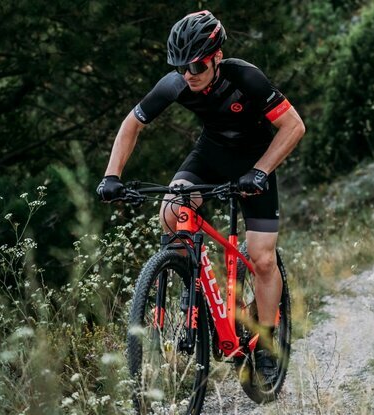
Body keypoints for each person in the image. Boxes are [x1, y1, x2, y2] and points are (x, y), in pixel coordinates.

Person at [96, 10, 305, 387]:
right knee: (171, 211)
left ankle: (266, 342)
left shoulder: (245, 77)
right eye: (181, 67)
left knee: (261, 258)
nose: (188, 74)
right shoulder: (176, 84)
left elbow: (293, 125)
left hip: (255, 160)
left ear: (216, 57)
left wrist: (260, 171)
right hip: (210, 155)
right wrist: (112, 175)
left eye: (196, 65)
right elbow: (132, 124)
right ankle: (188, 278)